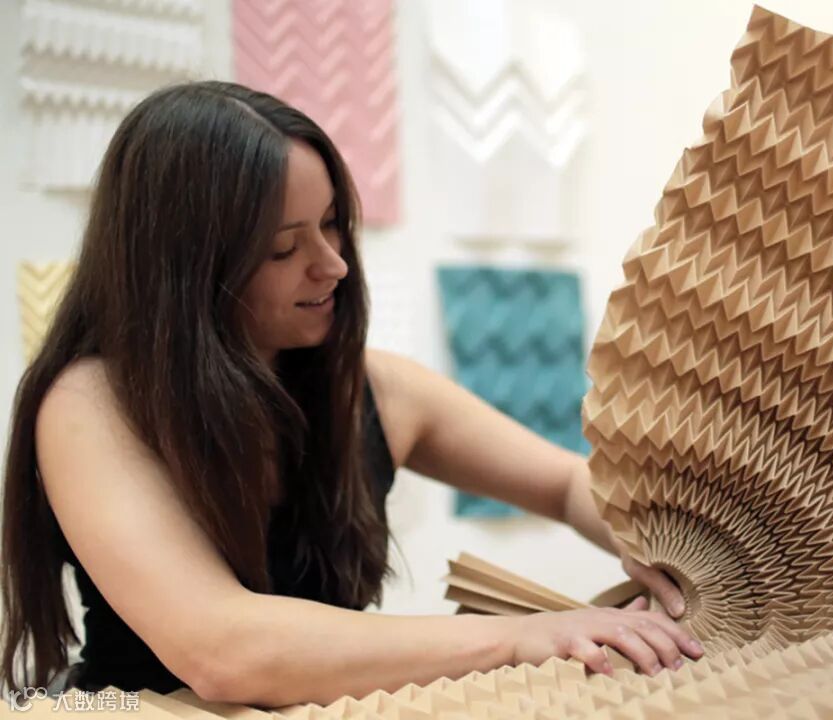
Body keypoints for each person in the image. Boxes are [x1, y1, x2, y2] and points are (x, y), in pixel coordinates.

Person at [0, 81, 702, 708]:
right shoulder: (91, 406)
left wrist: (653, 547)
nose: (333, 263)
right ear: (184, 268)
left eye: (334, 222)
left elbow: (565, 483)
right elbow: (222, 649)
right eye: (284, 248)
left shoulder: (376, 388)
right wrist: (521, 637)